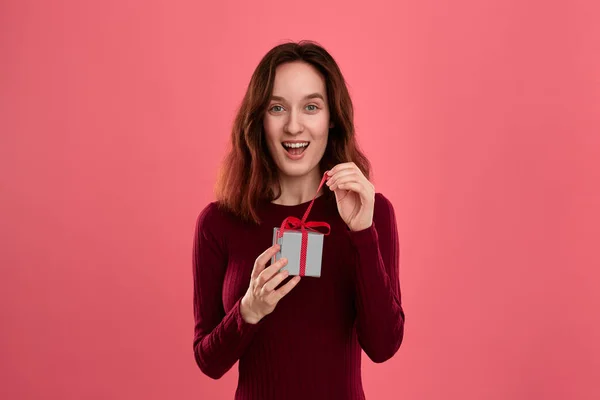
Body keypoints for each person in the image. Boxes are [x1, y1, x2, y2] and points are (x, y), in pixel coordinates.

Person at [192, 40, 405, 400]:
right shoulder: (218, 222)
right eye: (277, 108)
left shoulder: (372, 212)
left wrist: (362, 234)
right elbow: (208, 362)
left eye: (311, 107)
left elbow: (383, 346)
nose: (294, 126)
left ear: (331, 118)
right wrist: (248, 311)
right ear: (259, 119)